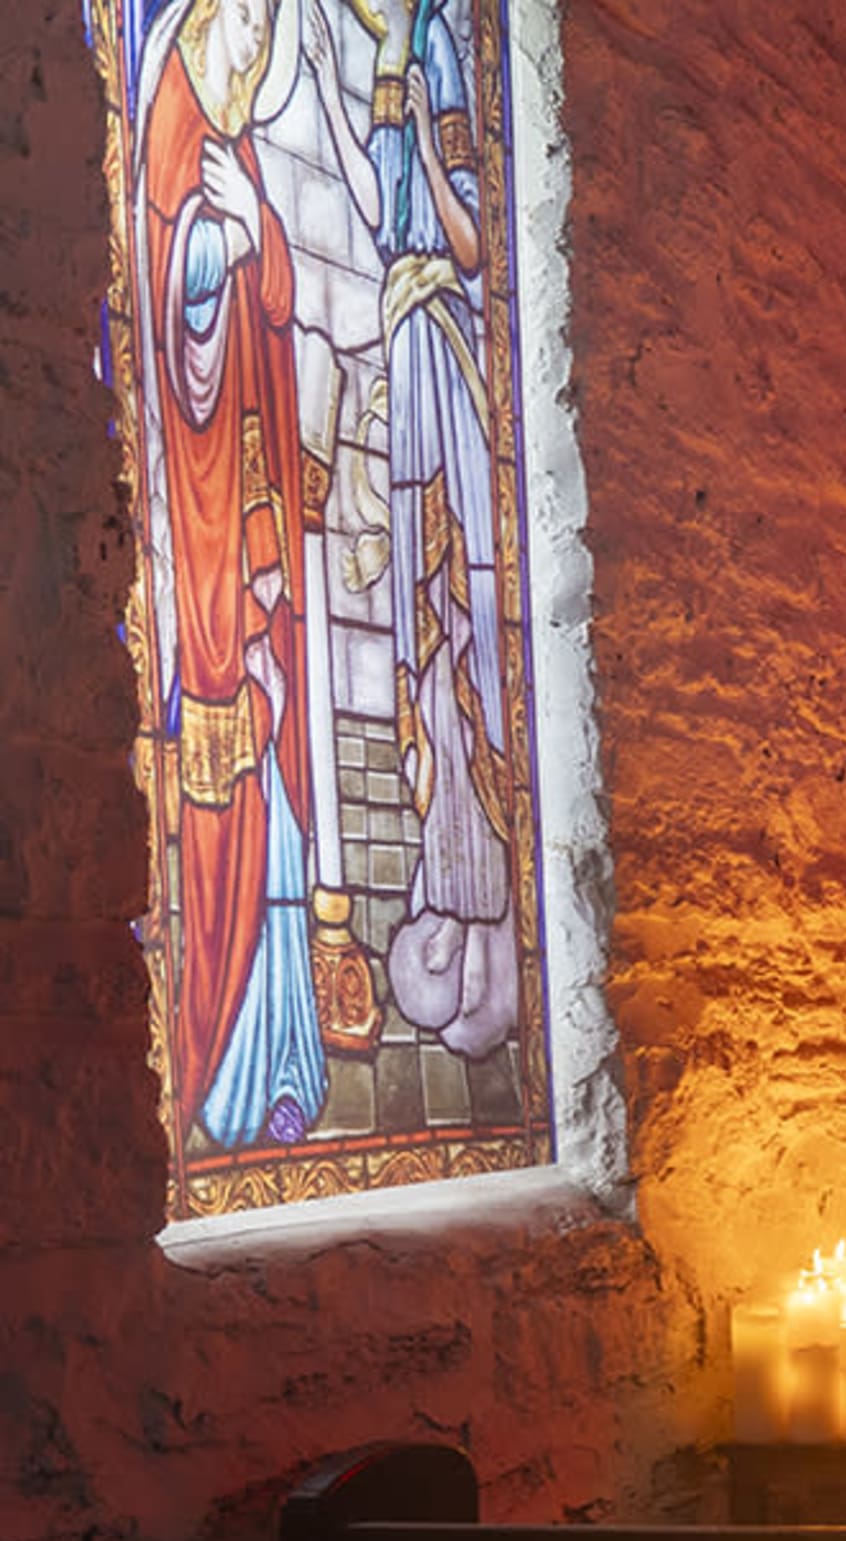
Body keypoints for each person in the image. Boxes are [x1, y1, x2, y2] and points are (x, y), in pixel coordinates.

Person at [302, 0, 520, 1060]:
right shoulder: (390, 57)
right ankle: (447, 878)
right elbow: (374, 207)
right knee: (415, 630)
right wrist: (326, 81)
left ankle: (484, 897)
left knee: (457, 614)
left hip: (442, 344)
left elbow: (469, 244)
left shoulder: (435, 43)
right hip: (404, 338)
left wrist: (433, 136)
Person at [138, 0, 329, 1150]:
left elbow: (277, 307)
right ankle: (219, 1069)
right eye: (243, 19)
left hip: (253, 535)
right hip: (204, 538)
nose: (255, 46)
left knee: (277, 769)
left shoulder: (239, 151)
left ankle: (290, 1049)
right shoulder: (168, 124)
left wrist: (259, 236)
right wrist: (218, 250)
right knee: (228, 764)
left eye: (269, 28)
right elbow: (173, 322)